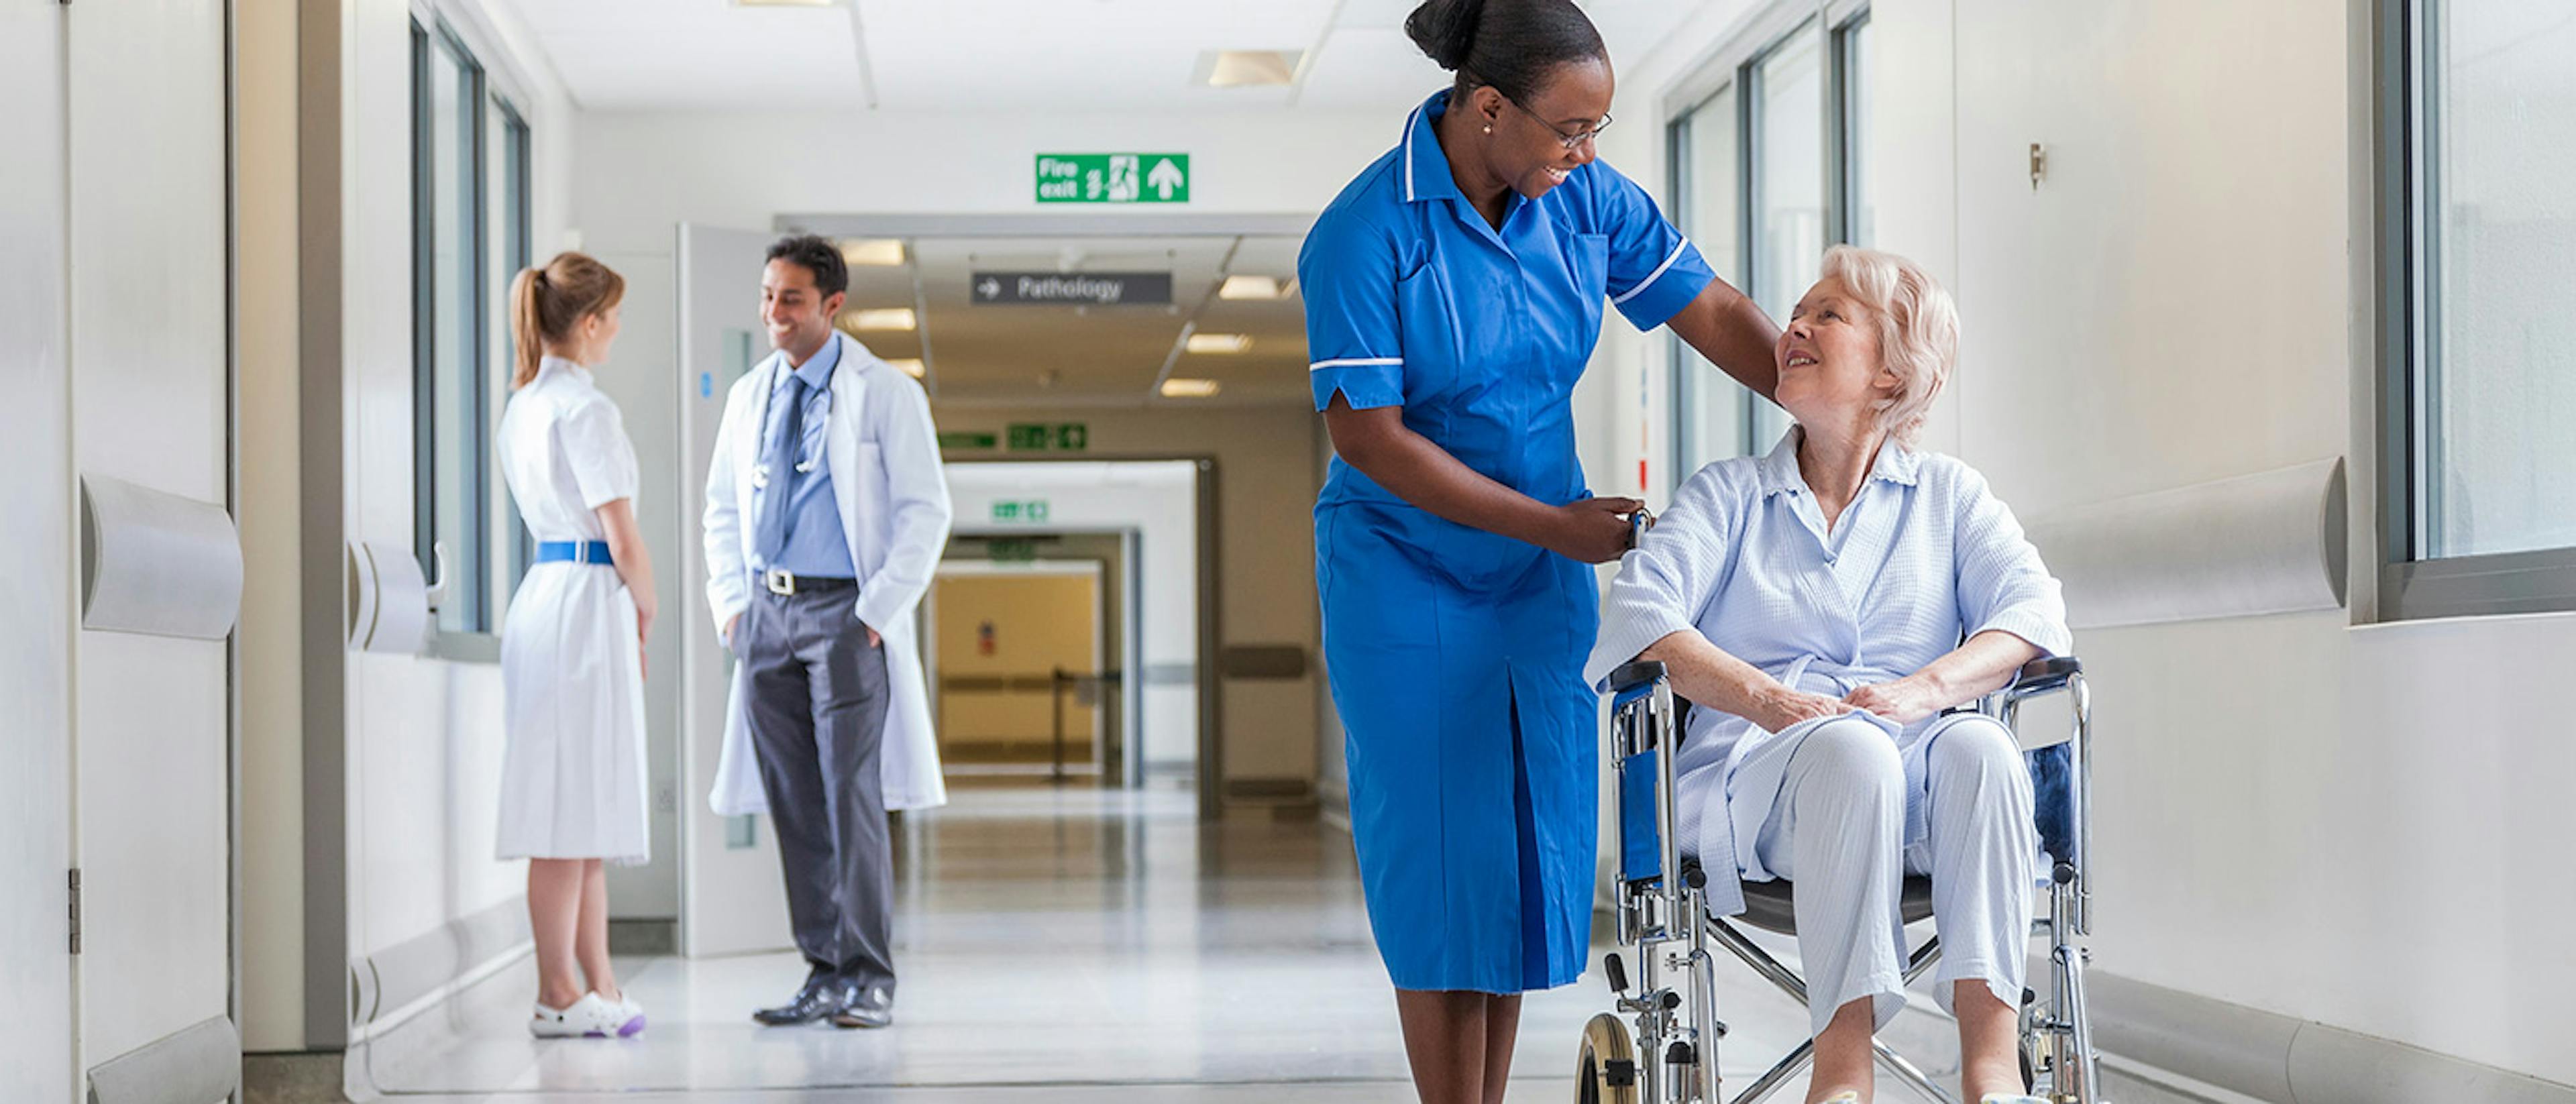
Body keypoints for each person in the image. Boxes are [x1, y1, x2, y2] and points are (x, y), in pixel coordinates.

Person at [1299, 1, 1782, 1099]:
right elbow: (1370, 439)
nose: (1588, 150)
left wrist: (1832, 401)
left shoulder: (1588, 202)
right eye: (1571, 128)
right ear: (1486, 109)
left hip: (1534, 579)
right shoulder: (1367, 232)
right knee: (1439, 852)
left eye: (1599, 128)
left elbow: (1711, 311)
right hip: (1401, 566)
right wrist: (1558, 526)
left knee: (1520, 845)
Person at [1586, 246, 2070, 1104]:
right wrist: (1770, 700)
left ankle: (1992, 1067)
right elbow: (1640, 618)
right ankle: (1841, 1073)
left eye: (1829, 315)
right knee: (1852, 751)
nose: (1793, 328)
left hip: (1918, 775)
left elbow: (2033, 617)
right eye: (1798, 312)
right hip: (1762, 785)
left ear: (1892, 373)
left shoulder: (1950, 497)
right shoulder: (1729, 496)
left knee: (1987, 750)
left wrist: (1926, 689)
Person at [702, 233, 952, 1030]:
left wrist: (876, 612)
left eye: (792, 299)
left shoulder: (885, 392)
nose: (775, 313)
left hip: (846, 616)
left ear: (833, 305)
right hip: (766, 619)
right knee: (794, 803)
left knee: (852, 799)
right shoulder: (749, 395)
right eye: (768, 296)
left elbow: (925, 511)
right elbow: (721, 509)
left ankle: (870, 973)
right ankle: (822, 969)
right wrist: (733, 608)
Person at [494, 251, 651, 1040]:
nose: (617, 332)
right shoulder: (585, 411)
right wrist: (648, 607)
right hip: (586, 602)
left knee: (581, 807)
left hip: (551, 599)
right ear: (588, 323)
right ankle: (558, 991)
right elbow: (622, 534)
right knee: (565, 811)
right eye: (613, 318)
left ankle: (600, 984)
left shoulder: (526, 404)